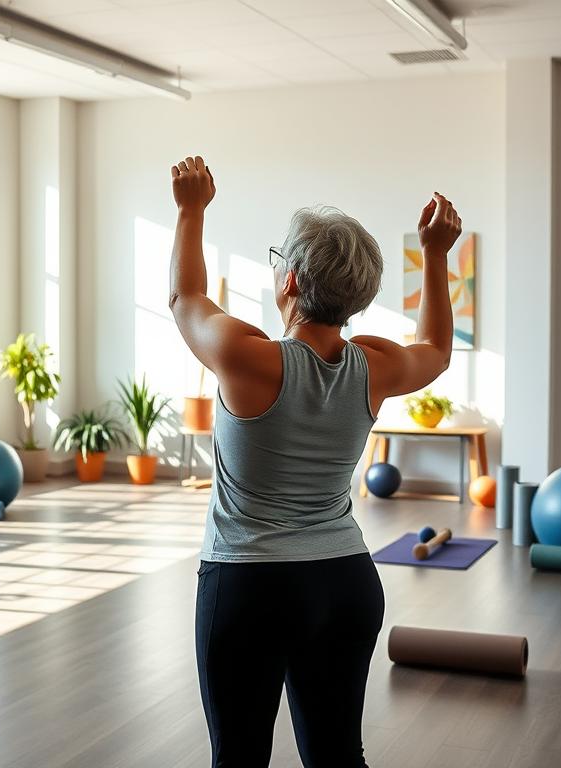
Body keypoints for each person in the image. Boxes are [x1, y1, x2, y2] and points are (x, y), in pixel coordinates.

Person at [168, 155, 462, 768]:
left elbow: (184, 296)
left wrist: (191, 210)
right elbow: (435, 348)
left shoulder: (247, 357)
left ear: (292, 281)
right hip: (345, 583)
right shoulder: (371, 366)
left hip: (248, 583)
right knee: (335, 755)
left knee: (239, 757)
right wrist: (436, 256)